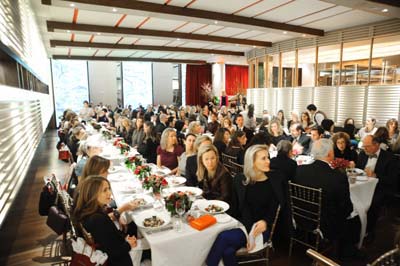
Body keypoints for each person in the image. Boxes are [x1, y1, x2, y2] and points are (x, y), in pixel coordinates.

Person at [206, 145, 285, 266]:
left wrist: (265, 222)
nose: (268, 161)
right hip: (244, 224)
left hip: (261, 228)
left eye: (268, 157)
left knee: (223, 237)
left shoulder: (274, 181)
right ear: (252, 162)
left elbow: (274, 208)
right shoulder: (240, 180)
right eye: (263, 158)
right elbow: (239, 208)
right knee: (228, 251)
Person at [293, 139, 361, 260]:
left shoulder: (300, 170)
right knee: (354, 218)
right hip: (325, 224)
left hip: (300, 215)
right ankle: (345, 253)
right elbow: (346, 208)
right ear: (330, 154)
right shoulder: (337, 177)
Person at [73, 176, 145, 266]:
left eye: (109, 189)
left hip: (116, 247)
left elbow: (108, 239)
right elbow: (113, 253)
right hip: (120, 261)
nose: (109, 193)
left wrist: (125, 239)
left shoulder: (87, 211)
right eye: (105, 190)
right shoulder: (97, 220)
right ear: (93, 194)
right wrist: (128, 244)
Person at [356, 135, 399, 241]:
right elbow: (358, 170)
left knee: (372, 203)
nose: (364, 149)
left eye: (367, 146)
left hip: (380, 188)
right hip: (362, 186)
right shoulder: (362, 154)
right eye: (363, 146)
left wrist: (376, 175)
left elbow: (393, 180)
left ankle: (369, 231)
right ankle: (356, 228)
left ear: (377, 145)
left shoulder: (390, 158)